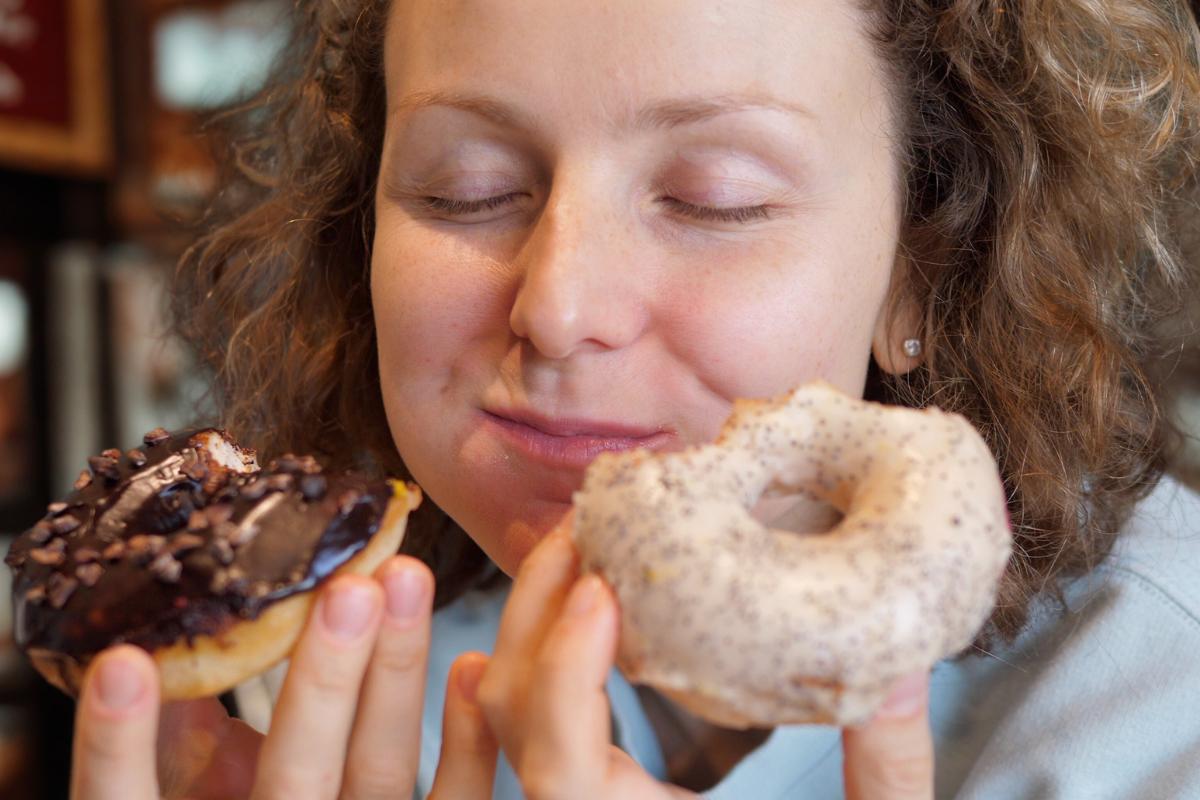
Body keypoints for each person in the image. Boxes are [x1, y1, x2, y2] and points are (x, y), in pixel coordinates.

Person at [66, 0, 1200, 797]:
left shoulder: (1157, 707)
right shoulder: (328, 686)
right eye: (470, 190)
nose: (555, 306)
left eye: (713, 199)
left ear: (927, 262)